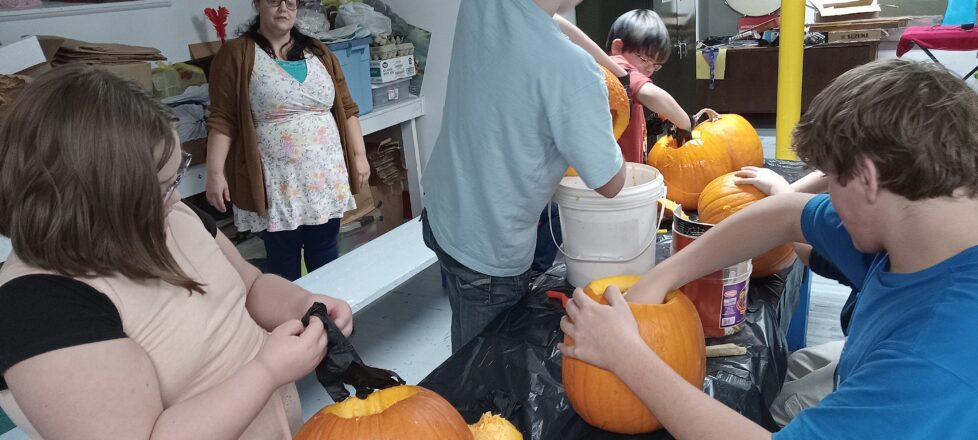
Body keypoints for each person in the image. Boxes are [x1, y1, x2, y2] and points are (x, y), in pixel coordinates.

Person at [559, 59, 978, 438]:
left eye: (830, 179)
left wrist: (628, 357)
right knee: (792, 374)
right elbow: (786, 214)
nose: (825, 194)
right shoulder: (921, 228)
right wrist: (662, 277)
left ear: (868, 180)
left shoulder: (933, 362)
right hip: (862, 368)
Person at [0, 65, 353, 439]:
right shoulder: (39, 306)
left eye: (174, 178)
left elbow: (248, 286)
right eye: (163, 188)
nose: (178, 199)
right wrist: (267, 372)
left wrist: (301, 304)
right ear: (96, 201)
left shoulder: (173, 215)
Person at [422, 0, 627, 352]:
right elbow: (610, 182)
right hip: (491, 252)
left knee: (464, 343)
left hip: (443, 212)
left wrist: (608, 66)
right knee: (482, 375)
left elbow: (546, 21)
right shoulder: (572, 72)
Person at [206, 0, 371, 281]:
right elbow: (223, 119)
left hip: (325, 177)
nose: (283, 8)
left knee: (326, 252)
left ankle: (329, 319)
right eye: (274, 1)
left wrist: (359, 156)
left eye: (291, 2)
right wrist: (214, 173)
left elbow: (348, 108)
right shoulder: (237, 54)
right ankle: (294, 322)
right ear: (257, 4)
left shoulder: (318, 51)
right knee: (284, 261)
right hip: (277, 183)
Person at [734, 166, 858, 426]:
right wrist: (785, 198)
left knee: (777, 407)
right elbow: (812, 249)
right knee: (793, 364)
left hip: (872, 382)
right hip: (858, 346)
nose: (828, 197)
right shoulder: (889, 243)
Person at [606, 9, 693, 163]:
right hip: (618, 172)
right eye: (645, 59)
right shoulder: (617, 67)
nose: (650, 69)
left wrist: (650, 125)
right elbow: (650, 94)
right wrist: (685, 123)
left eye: (656, 65)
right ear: (618, 48)